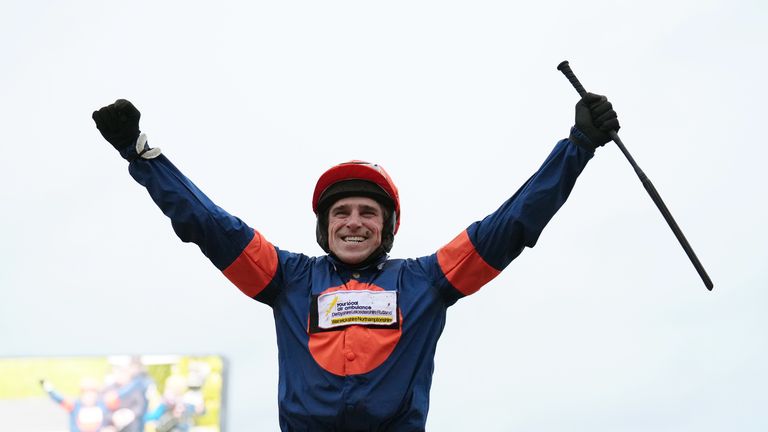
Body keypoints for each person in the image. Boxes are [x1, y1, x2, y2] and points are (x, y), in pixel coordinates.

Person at [92, 93, 619, 431]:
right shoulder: (286, 278)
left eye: (368, 213)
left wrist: (576, 147)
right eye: (341, 212)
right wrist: (143, 156)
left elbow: (513, 223)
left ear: (388, 227)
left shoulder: (428, 280)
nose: (353, 222)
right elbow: (207, 222)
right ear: (324, 228)